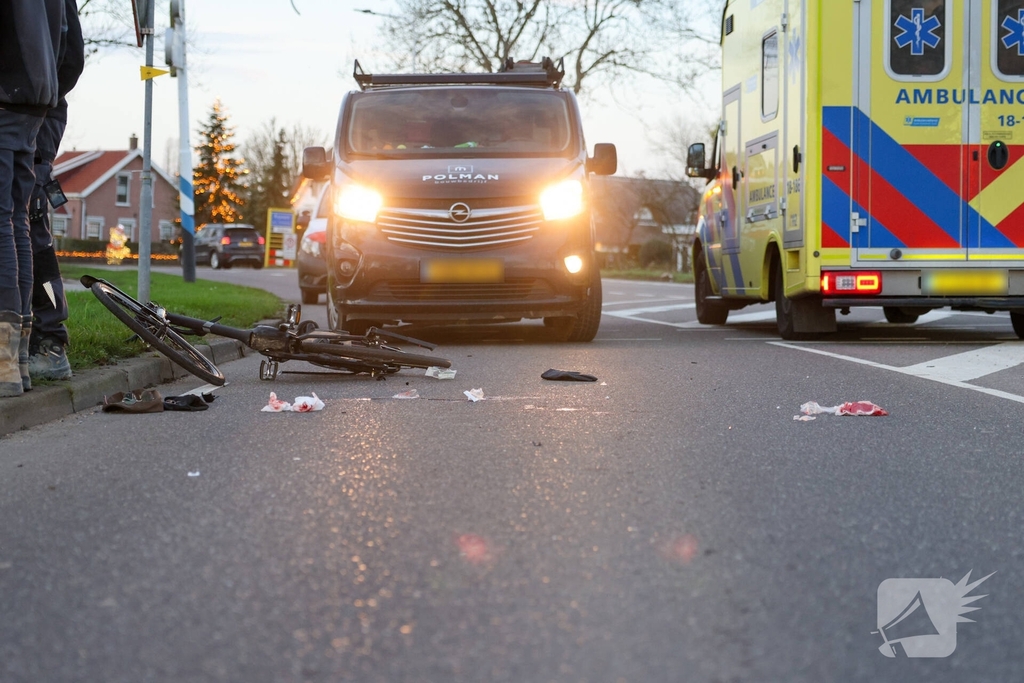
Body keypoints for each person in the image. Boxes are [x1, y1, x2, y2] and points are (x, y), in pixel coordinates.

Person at [0, 0, 67, 397]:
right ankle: (18, 360)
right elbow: (69, 44)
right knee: (18, 222)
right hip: (37, 96)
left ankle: (6, 364)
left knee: (4, 220)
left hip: (7, 91)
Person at [28, 0, 85, 382]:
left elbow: (72, 59)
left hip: (33, 109)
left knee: (30, 228)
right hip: (33, 105)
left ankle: (50, 341)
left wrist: (41, 92)